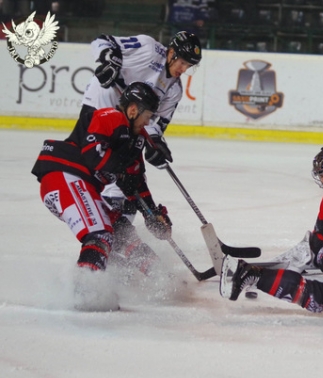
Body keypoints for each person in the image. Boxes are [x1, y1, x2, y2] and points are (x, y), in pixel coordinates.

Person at [66, 30, 201, 269]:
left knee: (130, 179)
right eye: (182, 62)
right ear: (170, 53)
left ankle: (113, 246)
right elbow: (101, 40)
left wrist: (157, 145)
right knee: (110, 173)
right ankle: (103, 240)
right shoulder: (148, 49)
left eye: (188, 66)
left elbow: (154, 126)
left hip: (129, 120)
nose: (183, 69)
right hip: (104, 101)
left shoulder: (174, 90)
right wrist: (107, 59)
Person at [31, 83, 172, 309]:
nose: (148, 122)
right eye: (147, 116)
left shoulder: (136, 138)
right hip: (64, 175)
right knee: (100, 234)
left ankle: (164, 279)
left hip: (82, 185)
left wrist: (151, 213)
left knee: (123, 232)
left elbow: (135, 180)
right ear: (133, 110)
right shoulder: (111, 117)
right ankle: (85, 293)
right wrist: (120, 172)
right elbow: (92, 153)